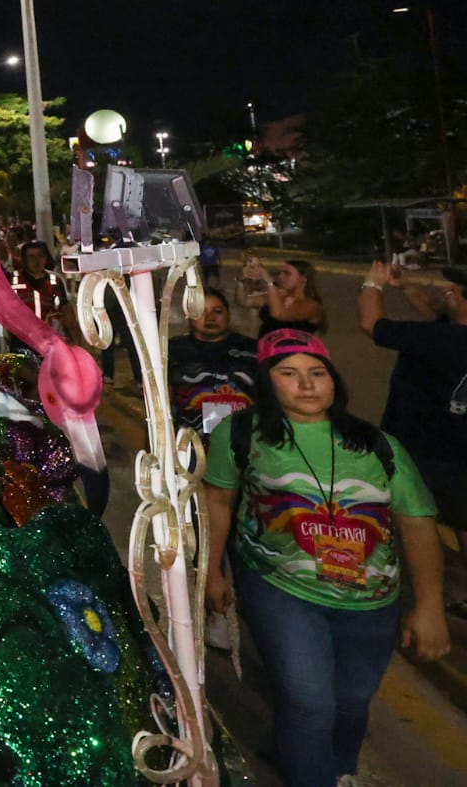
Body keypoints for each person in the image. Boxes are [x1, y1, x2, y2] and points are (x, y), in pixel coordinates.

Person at [204, 329, 449, 787]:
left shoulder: (377, 445)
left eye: (317, 372)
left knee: (351, 703)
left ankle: (337, 770)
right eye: (288, 373)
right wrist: (212, 569)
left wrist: (430, 605)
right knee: (310, 702)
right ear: (267, 382)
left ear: (334, 380)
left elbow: (418, 523)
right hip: (281, 590)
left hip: (372, 602)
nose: (306, 383)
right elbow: (218, 501)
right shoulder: (239, 434)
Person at [358, 261, 467, 609]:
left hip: (420, 451)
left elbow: (372, 324)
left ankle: (428, 601)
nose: (445, 293)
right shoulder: (444, 334)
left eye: (453, 291)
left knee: (416, 525)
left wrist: (373, 284)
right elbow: (437, 314)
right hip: (460, 452)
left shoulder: (436, 340)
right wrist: (404, 286)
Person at [168, 287, 256, 440]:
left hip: (245, 436)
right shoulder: (173, 349)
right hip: (191, 439)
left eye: (218, 311)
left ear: (228, 315)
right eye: (202, 312)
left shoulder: (251, 348)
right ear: (189, 316)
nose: (210, 318)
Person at [239, 255, 326, 335]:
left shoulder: (312, 306)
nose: (280, 277)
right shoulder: (279, 295)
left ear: (303, 279)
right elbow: (244, 301)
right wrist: (242, 279)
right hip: (266, 345)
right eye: (280, 273)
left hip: (293, 346)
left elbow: (279, 314)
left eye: (287, 273)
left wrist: (269, 281)